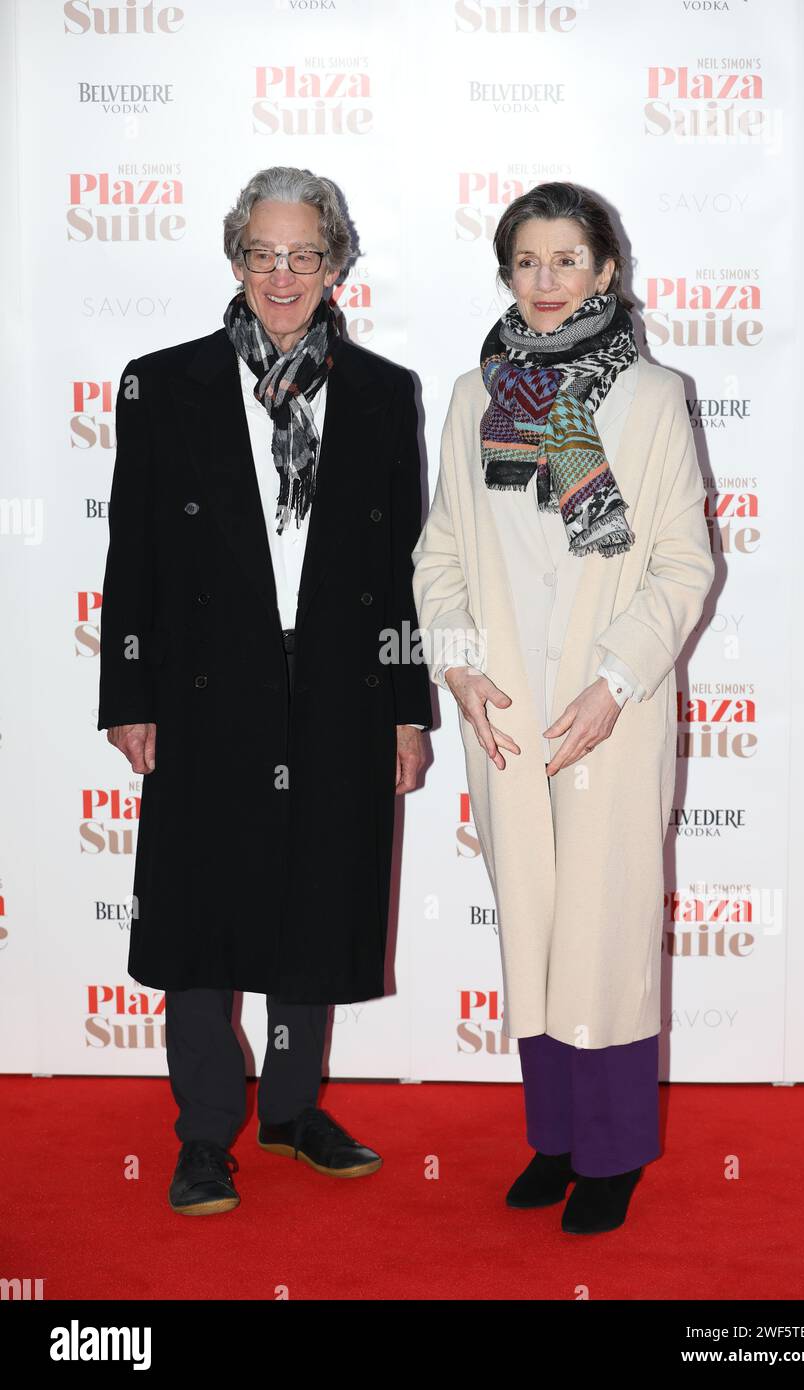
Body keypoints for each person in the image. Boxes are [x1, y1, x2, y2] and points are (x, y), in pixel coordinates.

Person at [97, 165, 432, 1216]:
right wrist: (129, 693)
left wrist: (406, 704)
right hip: (206, 688)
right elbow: (133, 552)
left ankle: (289, 1108)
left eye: (303, 255)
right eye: (261, 253)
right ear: (235, 258)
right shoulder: (164, 382)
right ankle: (204, 1131)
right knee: (201, 906)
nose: (281, 275)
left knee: (312, 896)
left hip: (337, 684)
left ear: (335, 264)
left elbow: (406, 568)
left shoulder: (384, 392)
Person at [411, 182, 714, 1235]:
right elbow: (440, 552)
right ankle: (552, 1135)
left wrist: (616, 680)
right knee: (534, 925)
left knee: (604, 924)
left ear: (605, 271)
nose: (546, 283)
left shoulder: (652, 395)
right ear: (506, 274)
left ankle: (613, 1152)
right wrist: (456, 666)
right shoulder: (468, 397)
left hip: (609, 708)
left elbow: (682, 562)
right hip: (502, 711)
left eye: (566, 260)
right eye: (526, 263)